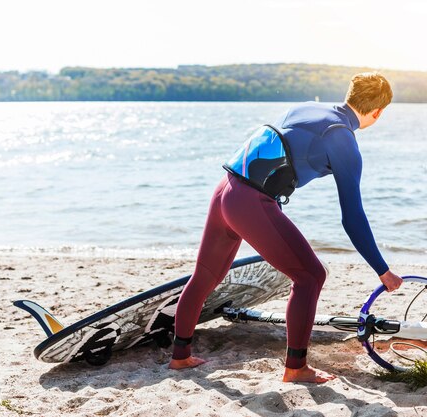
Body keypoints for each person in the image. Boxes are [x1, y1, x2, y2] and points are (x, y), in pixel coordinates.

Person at [169, 72, 403, 383]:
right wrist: (382, 270)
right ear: (377, 112)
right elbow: (352, 216)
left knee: (206, 276)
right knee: (310, 276)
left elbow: (282, 149)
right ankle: (296, 368)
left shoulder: (306, 108)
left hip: (225, 189)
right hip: (250, 204)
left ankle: (180, 357)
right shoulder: (344, 140)